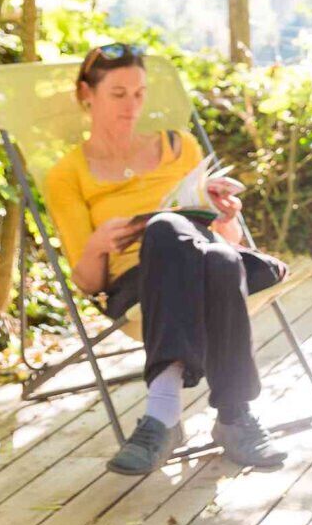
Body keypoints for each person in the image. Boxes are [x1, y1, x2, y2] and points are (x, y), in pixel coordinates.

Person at [43, 43, 289, 475]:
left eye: (139, 93)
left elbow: (222, 237)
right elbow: (86, 282)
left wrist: (227, 216)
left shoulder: (181, 146)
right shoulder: (68, 175)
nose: (132, 105)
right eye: (118, 94)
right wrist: (99, 243)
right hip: (137, 281)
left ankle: (164, 416)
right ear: (87, 94)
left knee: (217, 256)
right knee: (183, 241)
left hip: (204, 258)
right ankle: (232, 419)